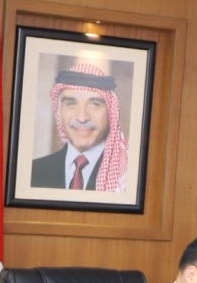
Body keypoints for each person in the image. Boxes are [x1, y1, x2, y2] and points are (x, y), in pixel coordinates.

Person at [30, 63, 128, 192]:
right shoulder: (33, 171)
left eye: (95, 104)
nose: (82, 118)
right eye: (71, 103)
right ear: (59, 111)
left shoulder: (127, 175)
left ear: (110, 113)